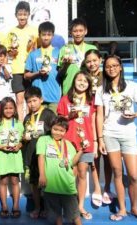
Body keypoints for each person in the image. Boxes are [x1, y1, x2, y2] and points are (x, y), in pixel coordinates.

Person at [95, 55, 137, 221]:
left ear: (121, 67)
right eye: (108, 66)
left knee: (134, 175)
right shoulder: (101, 89)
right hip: (110, 134)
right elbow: (99, 115)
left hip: (128, 134)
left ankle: (135, 207)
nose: (111, 69)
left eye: (115, 65)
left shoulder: (131, 86)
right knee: (117, 172)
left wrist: (136, 114)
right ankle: (123, 209)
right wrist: (101, 138)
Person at [57, 71, 100, 220]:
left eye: (85, 81)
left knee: (82, 174)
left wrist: (95, 142)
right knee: (70, 175)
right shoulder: (65, 99)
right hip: (69, 142)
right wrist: (70, 115)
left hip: (86, 142)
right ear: (74, 81)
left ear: (89, 85)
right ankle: (69, 206)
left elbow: (94, 121)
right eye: (79, 80)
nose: (82, 83)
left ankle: (80, 205)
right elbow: (60, 121)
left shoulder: (92, 100)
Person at [37, 116, 83, 225]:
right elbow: (41, 157)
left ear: (65, 131)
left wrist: (81, 151)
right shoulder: (43, 140)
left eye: (61, 131)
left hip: (67, 186)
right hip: (51, 185)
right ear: (51, 128)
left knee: (75, 216)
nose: (58, 133)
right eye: (55, 129)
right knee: (57, 216)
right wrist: (42, 175)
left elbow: (72, 162)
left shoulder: (68, 144)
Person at [82, 49, 114, 204]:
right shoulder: (83, 77)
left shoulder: (108, 76)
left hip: (106, 118)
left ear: (100, 60)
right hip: (90, 118)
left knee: (107, 155)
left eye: (94, 60)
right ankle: (96, 187)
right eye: (88, 61)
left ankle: (107, 187)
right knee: (94, 155)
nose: (92, 63)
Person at [22, 86, 56, 219]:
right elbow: (24, 136)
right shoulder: (26, 118)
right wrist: (24, 138)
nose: (32, 104)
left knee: (48, 184)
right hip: (31, 155)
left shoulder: (48, 114)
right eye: (29, 102)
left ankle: (48, 208)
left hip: (46, 156)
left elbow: (55, 132)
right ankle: (37, 207)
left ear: (41, 100)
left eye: (35, 100)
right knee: (34, 185)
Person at [0, 97, 24, 218]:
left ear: (15, 109)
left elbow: (22, 139)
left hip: (15, 155)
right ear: (2, 109)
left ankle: (16, 206)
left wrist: (19, 145)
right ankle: (4, 206)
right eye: (6, 108)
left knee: (15, 180)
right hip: (2, 155)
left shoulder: (18, 123)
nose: (8, 110)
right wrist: (1, 147)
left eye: (11, 108)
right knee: (3, 181)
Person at [7, 1, 38, 120]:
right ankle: (21, 123)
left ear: (29, 15)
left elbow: (39, 49)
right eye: (20, 14)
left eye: (25, 14)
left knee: (31, 99)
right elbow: (8, 51)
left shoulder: (35, 31)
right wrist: (12, 52)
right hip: (17, 69)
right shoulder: (11, 32)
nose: (22, 17)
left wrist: (34, 48)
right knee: (19, 99)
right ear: (16, 15)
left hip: (31, 70)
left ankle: (31, 122)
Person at [25, 21, 61, 113]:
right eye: (43, 35)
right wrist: (38, 73)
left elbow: (62, 73)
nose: (46, 37)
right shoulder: (33, 54)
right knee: (37, 124)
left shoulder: (59, 52)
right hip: (37, 97)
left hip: (54, 96)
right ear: (39, 35)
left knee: (53, 124)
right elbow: (26, 75)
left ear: (53, 35)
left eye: (49, 35)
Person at [57, 18, 97, 95]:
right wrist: (66, 65)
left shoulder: (92, 48)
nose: (78, 34)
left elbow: (96, 72)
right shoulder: (64, 49)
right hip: (69, 91)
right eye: (75, 31)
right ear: (71, 32)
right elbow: (60, 75)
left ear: (86, 31)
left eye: (81, 31)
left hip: (88, 91)